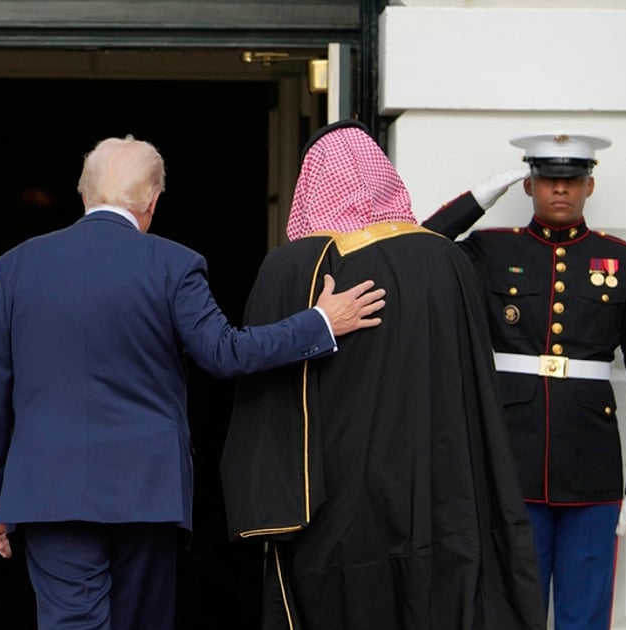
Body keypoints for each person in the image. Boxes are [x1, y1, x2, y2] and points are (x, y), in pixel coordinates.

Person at [0, 135, 387, 630]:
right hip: (145, 489)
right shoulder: (173, 263)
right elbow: (225, 353)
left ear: (83, 194)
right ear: (153, 200)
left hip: (47, 490)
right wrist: (318, 322)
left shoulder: (17, 266)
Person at [220, 119, 546, 630]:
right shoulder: (447, 259)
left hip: (341, 502)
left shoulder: (301, 265)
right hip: (445, 493)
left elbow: (264, 385)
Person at [423, 132, 626, 630]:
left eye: (572, 180)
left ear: (590, 187)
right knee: (510, 611)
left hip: (592, 467)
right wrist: (477, 199)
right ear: (529, 185)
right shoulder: (487, 253)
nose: (561, 190)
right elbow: (421, 248)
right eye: (550, 179)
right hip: (510, 461)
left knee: (585, 614)